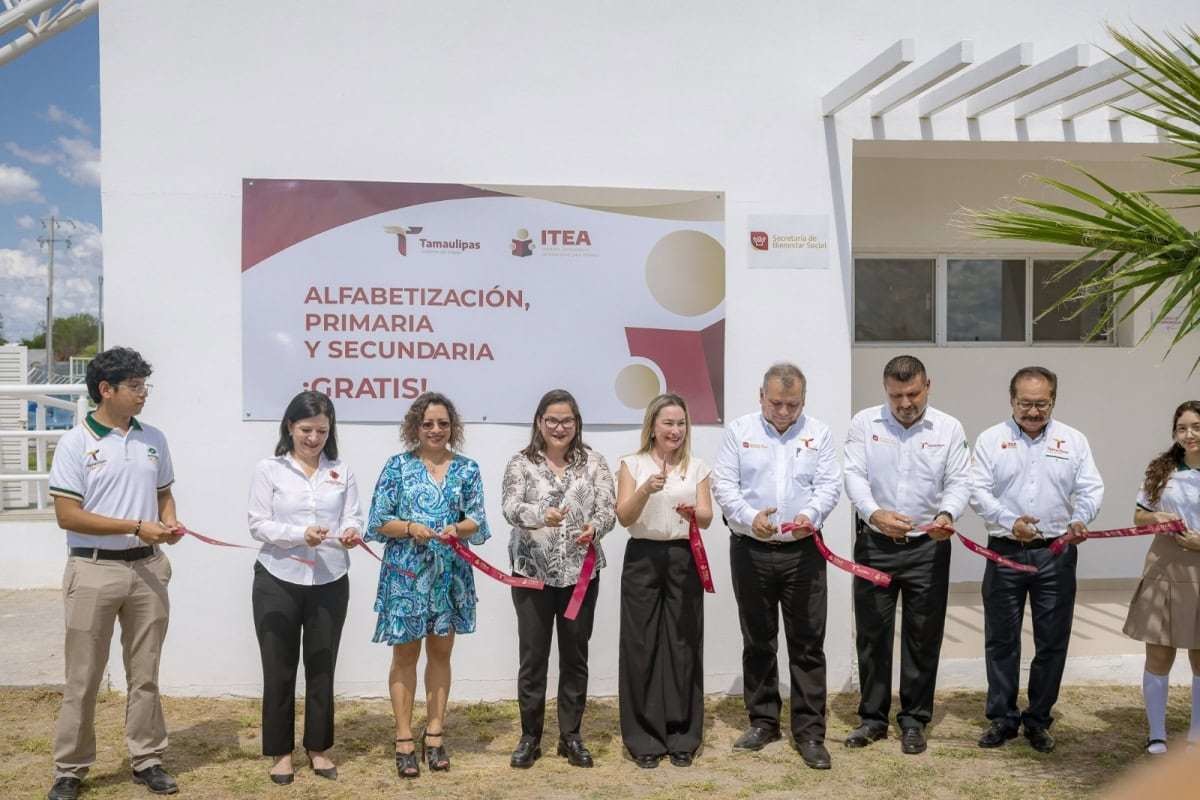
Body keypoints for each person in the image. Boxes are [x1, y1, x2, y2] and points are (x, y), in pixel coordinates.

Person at [46, 347, 183, 800]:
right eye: (136, 386)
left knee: (145, 673)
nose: (144, 394)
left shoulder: (154, 439)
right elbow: (68, 515)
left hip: (146, 568)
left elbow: (163, 494)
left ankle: (147, 758)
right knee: (83, 676)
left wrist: (168, 524)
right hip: (93, 570)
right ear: (106, 390)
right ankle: (71, 767)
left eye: (146, 385)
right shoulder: (76, 442)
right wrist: (134, 525)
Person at [711, 363, 841, 770]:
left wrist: (812, 515)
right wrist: (752, 518)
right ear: (760, 396)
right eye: (776, 403)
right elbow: (724, 485)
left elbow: (829, 485)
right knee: (758, 640)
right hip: (751, 550)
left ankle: (810, 733)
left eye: (793, 404)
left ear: (804, 400)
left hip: (803, 553)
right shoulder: (739, 432)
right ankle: (763, 721)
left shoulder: (818, 434)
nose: (784, 412)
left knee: (807, 643)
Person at [970, 366, 1103, 753]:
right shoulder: (991, 440)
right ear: (1011, 400)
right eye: (1025, 403)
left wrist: (1082, 518)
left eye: (1041, 403)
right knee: (1001, 640)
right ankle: (1002, 717)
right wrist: (1010, 522)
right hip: (1005, 551)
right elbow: (978, 491)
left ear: (1053, 401)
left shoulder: (1073, 440)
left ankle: (1039, 719)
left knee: (1052, 640)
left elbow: (1090, 488)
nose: (1032, 411)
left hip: (1055, 553)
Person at [843, 354, 971, 755]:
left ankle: (915, 720)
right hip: (875, 546)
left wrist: (947, 514)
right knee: (872, 634)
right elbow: (854, 475)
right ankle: (872, 719)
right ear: (886, 390)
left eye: (912, 393)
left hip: (928, 549)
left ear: (927, 386)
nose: (904, 403)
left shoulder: (948, 428)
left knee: (922, 636)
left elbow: (959, 480)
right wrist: (875, 514)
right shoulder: (865, 424)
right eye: (896, 395)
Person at [364, 392, 489, 778]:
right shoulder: (397, 467)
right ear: (415, 427)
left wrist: (458, 527)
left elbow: (478, 521)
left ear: (453, 428)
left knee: (440, 654)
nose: (436, 430)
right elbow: (377, 520)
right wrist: (409, 528)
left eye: (443, 424)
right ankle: (403, 737)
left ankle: (434, 733)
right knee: (404, 656)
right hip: (405, 576)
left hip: (449, 576)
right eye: (428, 423)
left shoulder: (467, 468)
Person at [247, 391, 363, 784]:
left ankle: (318, 747)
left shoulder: (340, 470)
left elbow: (354, 516)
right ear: (290, 428)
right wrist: (300, 534)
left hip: (330, 579)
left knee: (321, 666)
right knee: (279, 669)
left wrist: (351, 532)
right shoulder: (270, 469)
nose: (313, 438)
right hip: (277, 579)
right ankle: (281, 752)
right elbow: (257, 523)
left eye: (321, 431)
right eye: (306, 430)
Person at [502, 389, 616, 769]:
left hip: (580, 575)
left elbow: (607, 510)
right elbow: (510, 508)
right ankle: (529, 737)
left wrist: (593, 529)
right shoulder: (520, 463)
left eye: (567, 420)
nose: (559, 427)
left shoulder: (595, 463)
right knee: (533, 659)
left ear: (576, 423)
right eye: (551, 420)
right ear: (539, 422)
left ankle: (571, 736)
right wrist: (540, 514)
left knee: (574, 656)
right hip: (531, 575)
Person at [615, 393, 713, 769]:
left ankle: (682, 735)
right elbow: (624, 516)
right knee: (641, 646)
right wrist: (644, 489)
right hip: (642, 557)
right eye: (668, 423)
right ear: (652, 427)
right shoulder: (631, 464)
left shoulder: (697, 466)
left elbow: (706, 517)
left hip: (683, 557)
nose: (676, 430)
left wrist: (694, 511)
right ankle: (643, 738)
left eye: (681, 423)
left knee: (683, 645)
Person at [1123, 400, 1200, 755]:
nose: (1190, 434)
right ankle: (1157, 734)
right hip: (1163, 566)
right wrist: (1157, 520)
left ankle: (1196, 734)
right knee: (1158, 652)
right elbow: (1140, 516)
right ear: (1174, 432)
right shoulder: (1161, 470)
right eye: (1182, 428)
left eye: (1196, 427)